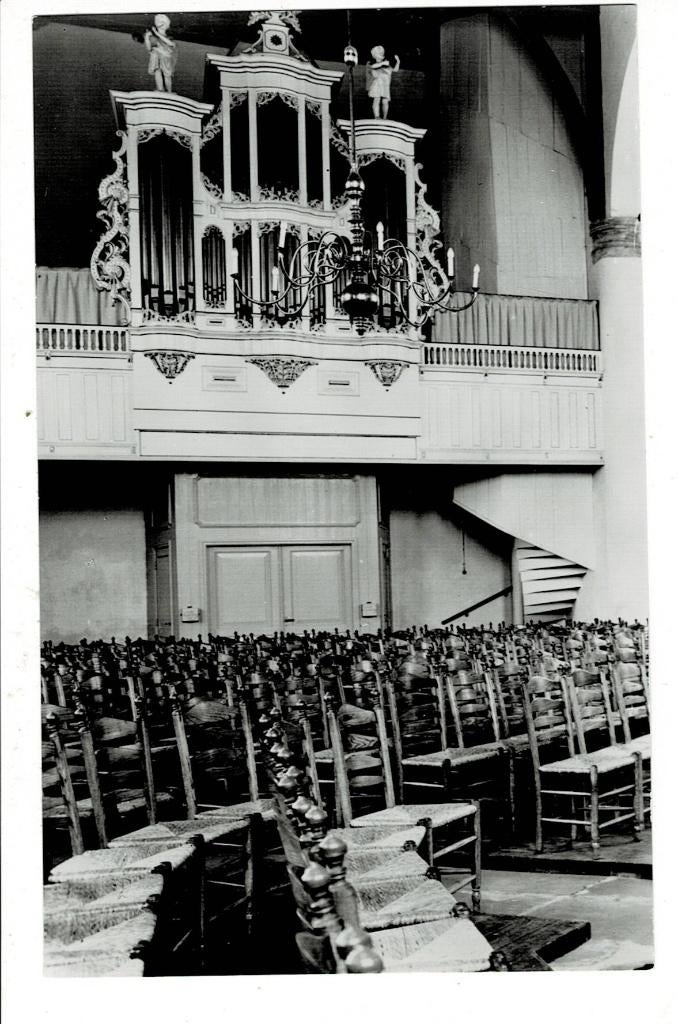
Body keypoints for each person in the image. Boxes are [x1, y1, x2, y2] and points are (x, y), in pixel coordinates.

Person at [145, 14, 177, 93]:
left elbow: (171, 44)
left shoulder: (169, 37)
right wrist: (146, 37)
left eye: (161, 22)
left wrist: (156, 33)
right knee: (157, 71)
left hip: (165, 57)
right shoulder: (153, 37)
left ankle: (169, 92)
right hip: (156, 56)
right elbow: (149, 48)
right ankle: (160, 89)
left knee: (167, 75)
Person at [366, 45, 400, 119]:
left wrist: (398, 61)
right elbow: (372, 67)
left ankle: (385, 117)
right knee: (377, 99)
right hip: (377, 85)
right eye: (377, 56)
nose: (379, 57)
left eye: (380, 55)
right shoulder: (372, 64)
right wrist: (382, 64)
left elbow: (395, 70)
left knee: (385, 101)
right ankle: (377, 116)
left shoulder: (387, 66)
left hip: (385, 86)